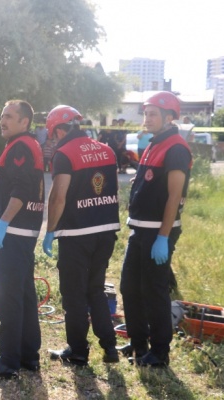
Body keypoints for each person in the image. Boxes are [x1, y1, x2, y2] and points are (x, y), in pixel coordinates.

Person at [42, 105, 121, 366]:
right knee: (96, 290)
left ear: (61, 130)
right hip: (106, 232)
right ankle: (110, 348)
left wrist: (50, 231)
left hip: (76, 234)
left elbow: (58, 197)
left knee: (74, 294)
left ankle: (77, 351)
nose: (52, 141)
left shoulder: (65, 154)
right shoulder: (107, 150)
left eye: (53, 135)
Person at [0, 100, 44, 379]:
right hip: (20, 233)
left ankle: (8, 361)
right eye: (1, 115)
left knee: (8, 298)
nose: (3, 120)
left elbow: (21, 190)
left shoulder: (21, 146)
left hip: (13, 233)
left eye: (9, 117)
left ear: (24, 122)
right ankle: (28, 357)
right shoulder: (25, 144)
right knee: (24, 296)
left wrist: (2, 223)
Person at [119, 91, 192, 367]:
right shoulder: (154, 143)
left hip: (157, 233)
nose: (146, 118)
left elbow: (174, 196)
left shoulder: (176, 148)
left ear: (169, 117)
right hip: (139, 230)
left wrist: (162, 238)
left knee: (154, 290)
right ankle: (139, 343)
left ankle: (159, 352)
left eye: (153, 114)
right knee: (129, 287)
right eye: (146, 113)